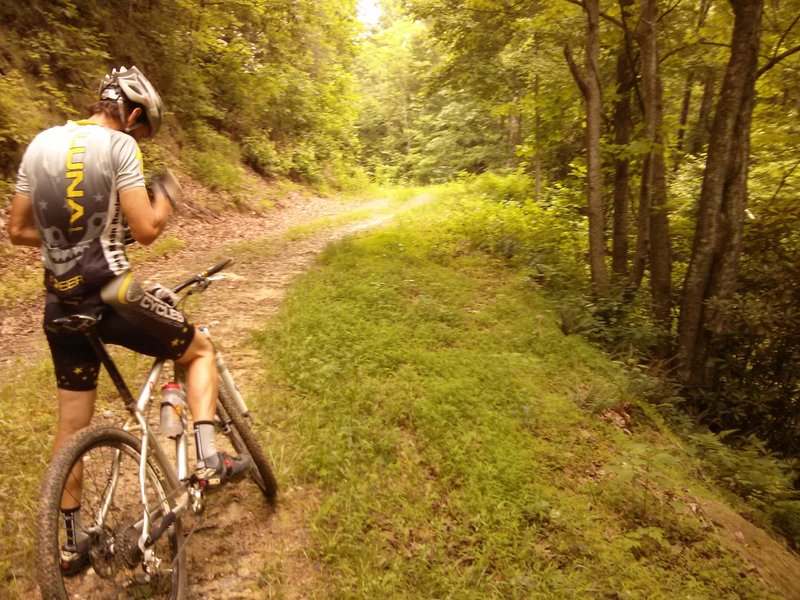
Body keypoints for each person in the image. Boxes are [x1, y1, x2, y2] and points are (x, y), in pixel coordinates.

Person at [7, 65, 249, 574]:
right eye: (142, 127)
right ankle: (208, 457)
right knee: (199, 346)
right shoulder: (120, 148)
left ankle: (70, 542)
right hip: (114, 291)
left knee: (72, 424)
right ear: (133, 114)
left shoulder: (39, 145)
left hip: (60, 303)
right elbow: (146, 229)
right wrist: (165, 199)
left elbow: (18, 230)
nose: (139, 135)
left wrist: (65, 242)